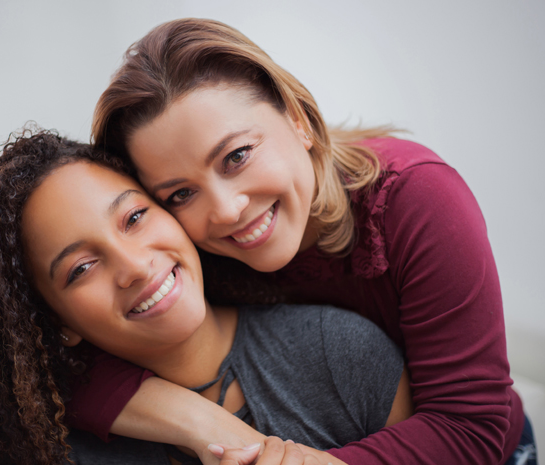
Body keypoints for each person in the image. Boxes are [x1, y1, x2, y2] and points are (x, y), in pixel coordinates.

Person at [62, 18, 533, 465]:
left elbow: (472, 425)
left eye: (237, 156)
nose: (226, 210)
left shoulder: (418, 198)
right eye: (182, 193)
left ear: (298, 120)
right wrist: (201, 425)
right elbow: (55, 364)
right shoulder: (184, 244)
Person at [0, 129, 412, 465]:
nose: (134, 266)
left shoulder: (342, 353)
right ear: (57, 321)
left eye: (134, 218)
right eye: (82, 268)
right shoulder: (65, 451)